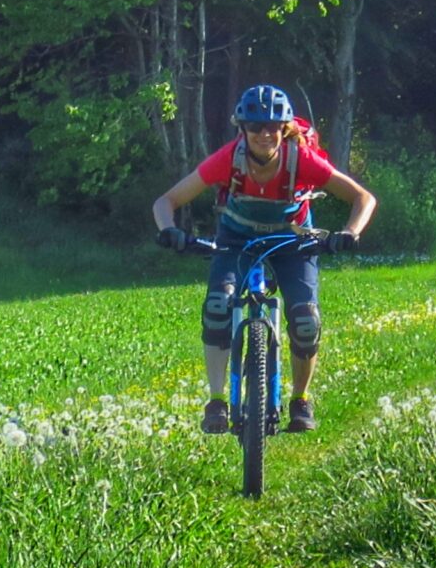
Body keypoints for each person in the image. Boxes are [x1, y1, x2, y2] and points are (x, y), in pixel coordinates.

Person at [150, 84, 375, 435]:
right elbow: (165, 201)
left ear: (285, 128)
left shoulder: (301, 159)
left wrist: (350, 232)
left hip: (292, 240)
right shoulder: (228, 159)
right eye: (255, 127)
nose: (264, 134)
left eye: (273, 126)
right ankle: (216, 400)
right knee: (217, 307)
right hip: (236, 239)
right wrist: (169, 230)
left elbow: (363, 198)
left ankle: (300, 399)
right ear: (242, 128)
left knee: (305, 321)